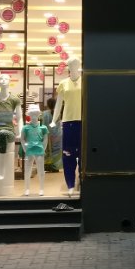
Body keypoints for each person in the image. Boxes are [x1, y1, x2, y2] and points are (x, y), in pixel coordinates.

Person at [51, 58, 82, 195]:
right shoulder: (63, 83)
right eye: (70, 64)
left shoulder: (85, 81)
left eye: (75, 64)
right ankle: (70, 184)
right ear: (68, 66)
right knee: (68, 154)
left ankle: (82, 183)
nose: (73, 66)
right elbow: (59, 103)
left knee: (83, 154)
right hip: (68, 121)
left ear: (79, 65)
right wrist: (54, 120)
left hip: (83, 122)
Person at [21, 104, 49, 195]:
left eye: (35, 114)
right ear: (29, 115)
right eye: (32, 114)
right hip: (29, 149)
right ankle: (26, 189)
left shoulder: (43, 127)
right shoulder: (25, 127)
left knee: (41, 170)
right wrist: (25, 148)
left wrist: (43, 148)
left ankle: (41, 189)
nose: (34, 116)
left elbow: (45, 139)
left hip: (39, 149)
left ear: (38, 114)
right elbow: (22, 139)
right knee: (27, 170)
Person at [42, 97, 62, 172]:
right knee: (57, 151)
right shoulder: (58, 113)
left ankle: (47, 166)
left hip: (48, 134)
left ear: (47, 105)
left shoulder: (44, 113)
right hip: (57, 134)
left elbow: (43, 125)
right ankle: (56, 167)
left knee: (47, 151)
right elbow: (57, 124)